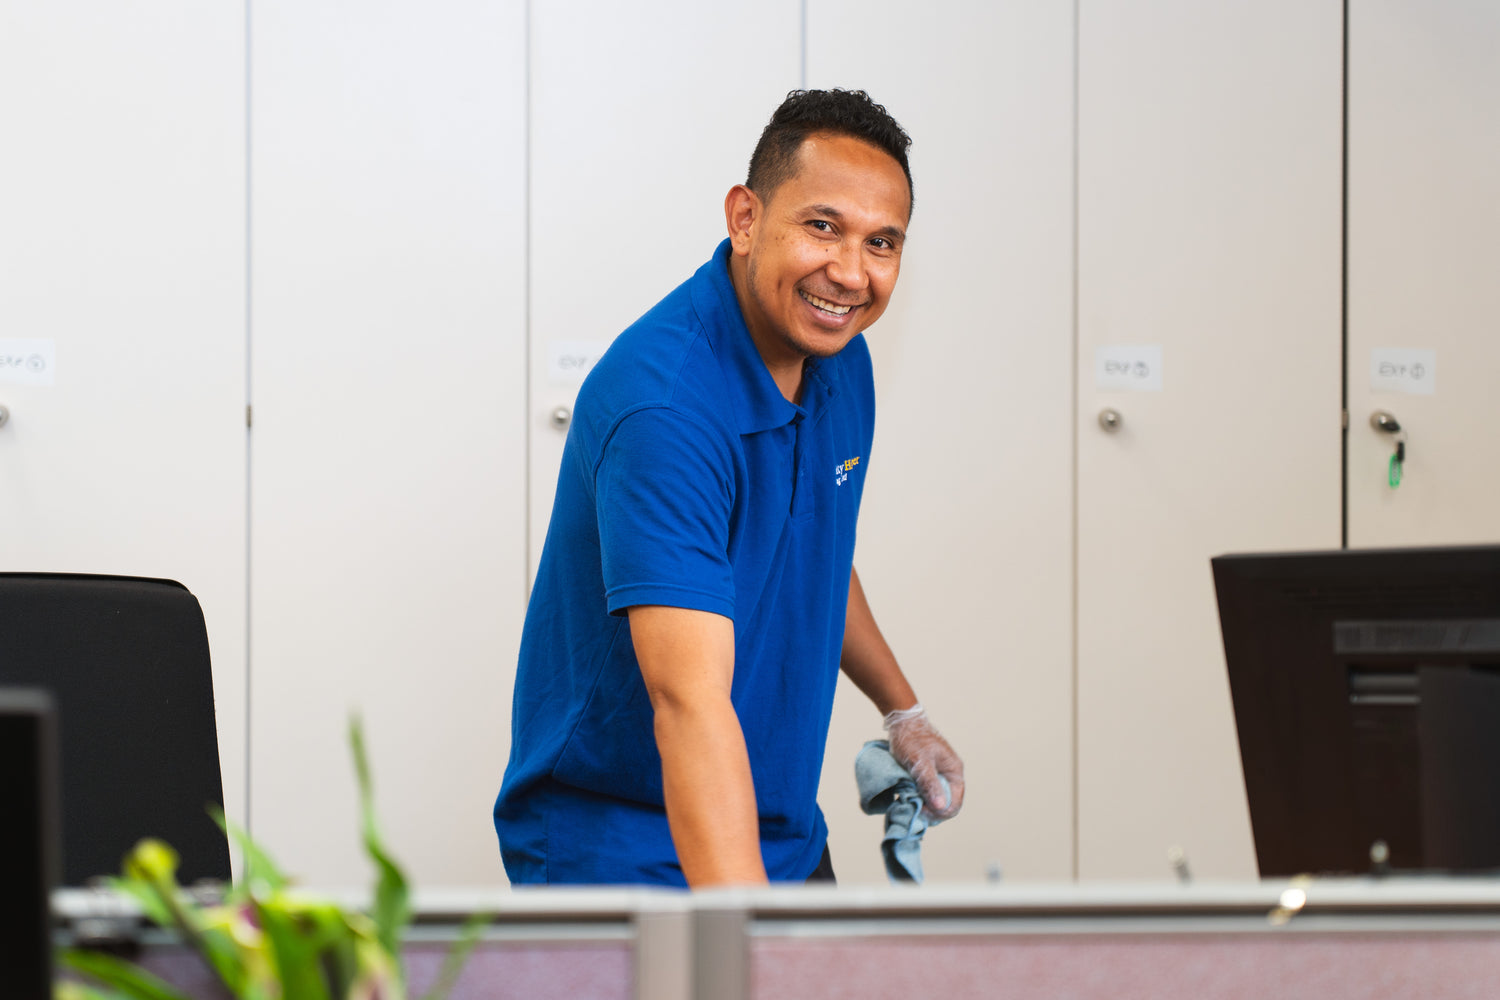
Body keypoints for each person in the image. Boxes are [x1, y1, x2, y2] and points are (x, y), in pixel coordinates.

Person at [495, 88, 964, 888]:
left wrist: (903, 712)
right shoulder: (665, 407)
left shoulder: (841, 365)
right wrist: (749, 933)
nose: (850, 273)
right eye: (822, 226)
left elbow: (809, 549)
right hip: (620, 843)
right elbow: (688, 704)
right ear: (745, 219)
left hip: (775, 826)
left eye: (881, 243)